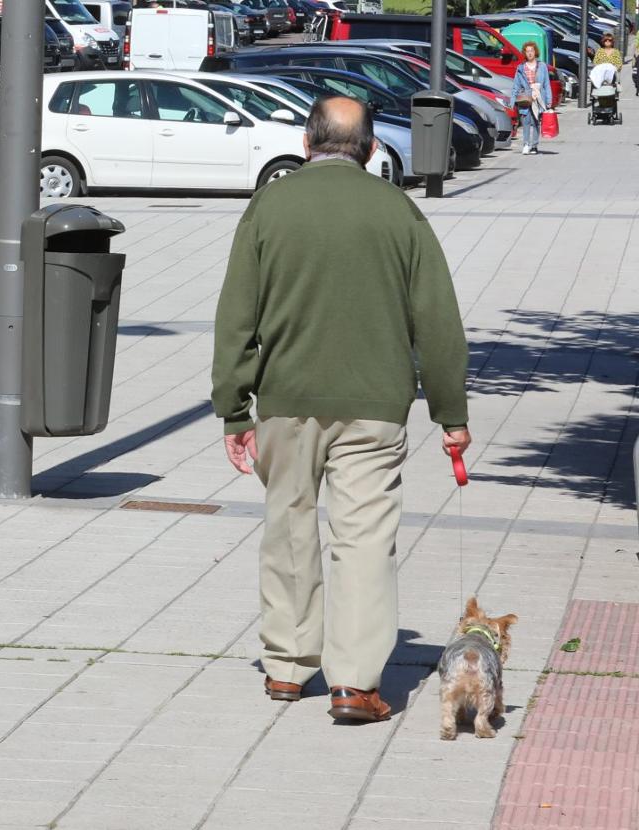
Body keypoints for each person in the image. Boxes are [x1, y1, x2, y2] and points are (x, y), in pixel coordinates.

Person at [211, 97, 470, 723]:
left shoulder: (270, 206)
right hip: (375, 406)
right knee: (362, 542)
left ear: (306, 144)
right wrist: (450, 413)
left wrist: (234, 408)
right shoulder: (398, 211)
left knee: (289, 530)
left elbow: (236, 314)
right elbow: (437, 322)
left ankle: (287, 667)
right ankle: (353, 684)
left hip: (284, 401)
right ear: (373, 148)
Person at [511, 41, 552, 156]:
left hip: (538, 97)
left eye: (531, 51)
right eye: (527, 51)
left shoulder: (542, 66)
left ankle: (534, 145)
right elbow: (516, 85)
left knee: (535, 122)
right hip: (525, 97)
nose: (529, 53)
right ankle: (525, 144)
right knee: (526, 122)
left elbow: (546, 84)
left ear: (535, 52)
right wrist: (512, 100)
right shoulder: (521, 68)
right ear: (524, 53)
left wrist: (549, 100)